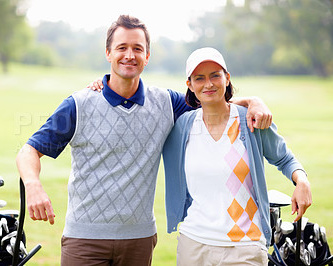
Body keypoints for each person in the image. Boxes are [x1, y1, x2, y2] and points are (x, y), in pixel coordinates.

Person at [16, 16, 272, 266]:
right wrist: (33, 185)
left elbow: (211, 101)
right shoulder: (79, 104)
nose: (130, 55)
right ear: (108, 53)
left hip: (139, 240)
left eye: (137, 48)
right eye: (122, 48)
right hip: (85, 239)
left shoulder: (167, 104)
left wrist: (252, 101)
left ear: (147, 56)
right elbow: (29, 151)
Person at [162, 47, 312, 265]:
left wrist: (302, 181)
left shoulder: (250, 120)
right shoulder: (182, 127)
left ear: (227, 77)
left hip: (245, 246)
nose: (209, 83)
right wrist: (102, 85)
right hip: (193, 244)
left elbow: (284, 158)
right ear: (190, 84)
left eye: (215, 75)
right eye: (199, 78)